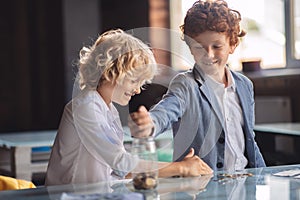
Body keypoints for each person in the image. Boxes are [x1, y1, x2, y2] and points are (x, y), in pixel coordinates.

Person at [45, 29, 212, 186]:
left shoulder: (108, 110)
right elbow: (121, 162)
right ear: (111, 72)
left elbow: (120, 172)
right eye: (134, 81)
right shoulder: (86, 106)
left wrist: (180, 178)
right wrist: (180, 168)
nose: (138, 90)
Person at [129, 0, 266, 172]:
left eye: (217, 46)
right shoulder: (185, 85)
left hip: (245, 185)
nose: (208, 55)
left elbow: (249, 141)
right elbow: (166, 111)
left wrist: (264, 176)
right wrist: (150, 124)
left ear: (232, 45)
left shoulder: (245, 85)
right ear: (190, 49)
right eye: (199, 47)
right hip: (201, 189)